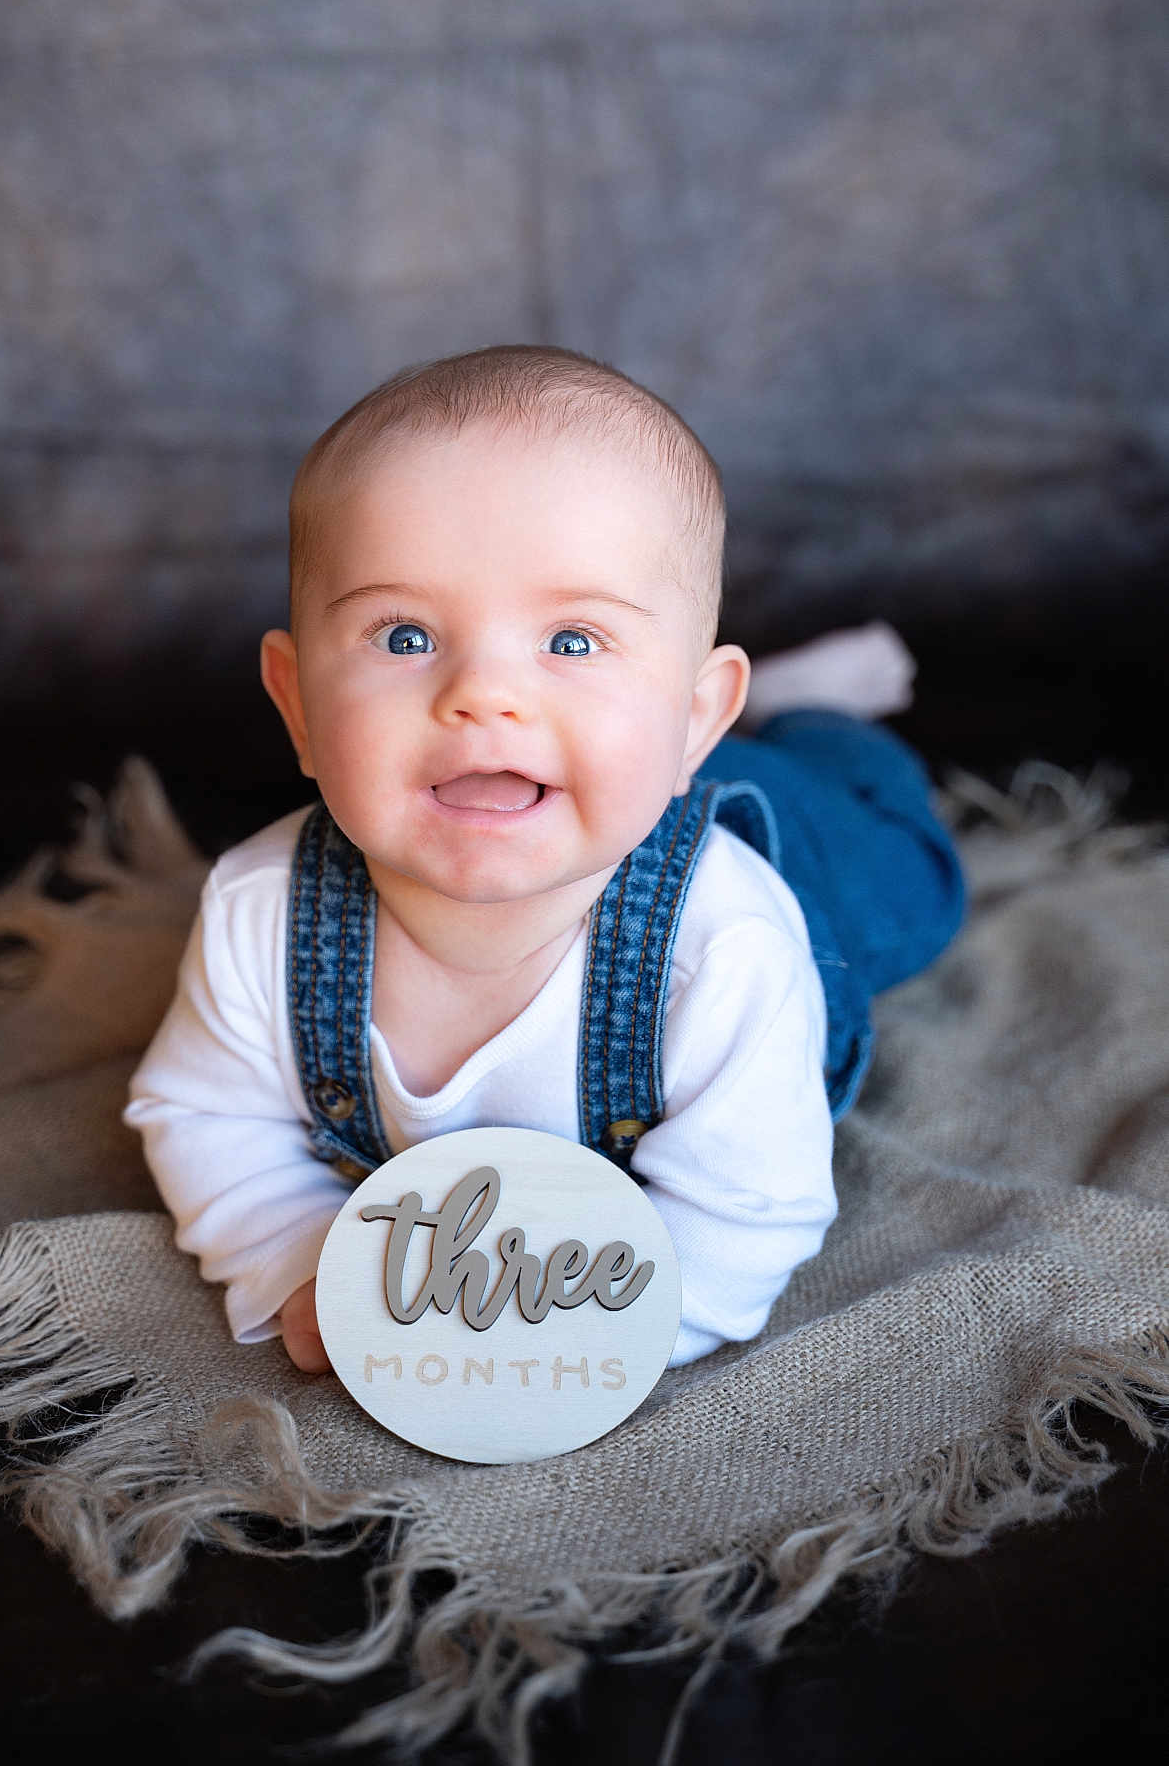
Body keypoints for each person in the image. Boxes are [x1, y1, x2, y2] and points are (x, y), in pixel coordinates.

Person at [124, 345, 964, 1376]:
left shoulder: (728, 939)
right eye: (403, 638)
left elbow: (744, 1213)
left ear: (694, 710)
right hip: (617, 765)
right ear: (296, 705)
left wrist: (582, 1357)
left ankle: (816, 717)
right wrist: (299, 1258)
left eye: (570, 641)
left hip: (789, 848)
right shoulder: (259, 912)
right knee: (617, 752)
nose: (482, 695)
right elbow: (204, 1113)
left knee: (908, 875)